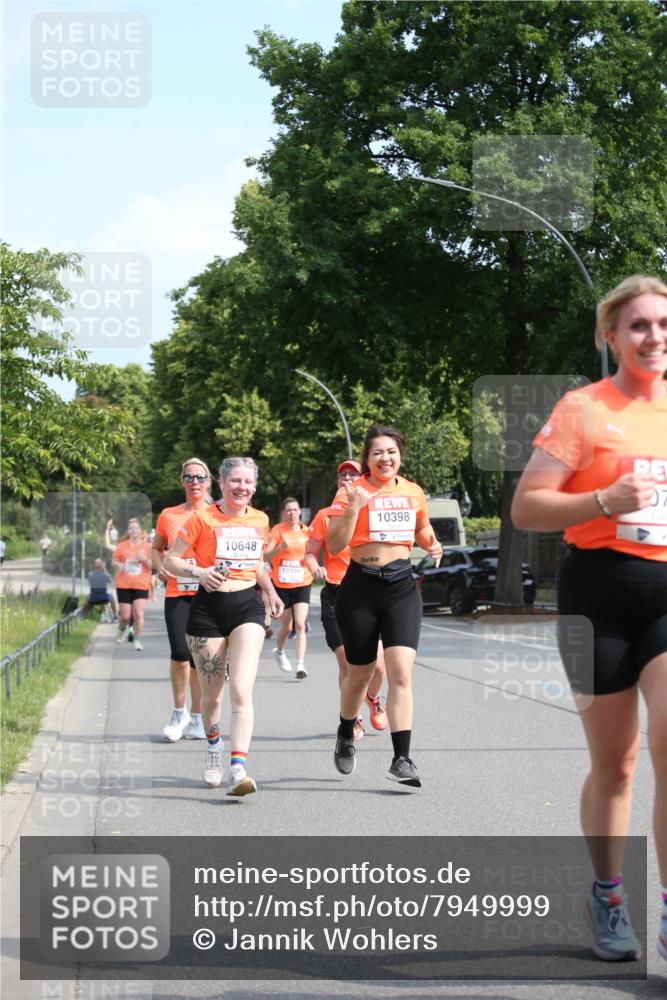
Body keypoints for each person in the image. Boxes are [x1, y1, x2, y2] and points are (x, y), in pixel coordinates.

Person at [511, 275, 667, 963]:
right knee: (616, 765)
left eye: (662, 323)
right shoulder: (581, 409)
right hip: (596, 596)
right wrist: (603, 497)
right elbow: (526, 508)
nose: (653, 336)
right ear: (610, 337)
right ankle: (607, 895)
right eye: (637, 325)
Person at [326, 423, 442, 788]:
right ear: (367, 458)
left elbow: (422, 528)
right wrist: (352, 509)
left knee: (400, 673)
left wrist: (433, 544)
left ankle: (401, 759)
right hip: (360, 588)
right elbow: (334, 544)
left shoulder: (413, 492)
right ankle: (346, 732)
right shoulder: (351, 492)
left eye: (391, 451)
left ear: (400, 456)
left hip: (401, 587)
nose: (385, 458)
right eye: (377, 452)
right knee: (358, 675)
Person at [164, 457, 283, 796]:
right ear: (222, 482)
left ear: (254, 487)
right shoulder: (202, 518)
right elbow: (172, 559)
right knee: (213, 695)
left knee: (241, 691)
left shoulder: (260, 519)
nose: (241, 487)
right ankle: (214, 750)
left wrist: (271, 591)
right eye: (235, 481)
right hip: (207, 611)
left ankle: (238, 767)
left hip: (247, 607)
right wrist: (199, 572)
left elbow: (258, 564)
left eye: (247, 482)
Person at [306, 459, 388, 741]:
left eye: (354, 474)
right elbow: (310, 552)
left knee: (378, 666)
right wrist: (313, 566)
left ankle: (374, 697)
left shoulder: (374, 510)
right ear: (338, 481)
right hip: (335, 593)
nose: (348, 478)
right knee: (347, 664)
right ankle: (354, 719)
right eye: (343, 475)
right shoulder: (325, 515)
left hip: (368, 591)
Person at [152, 458, 212, 743]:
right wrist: (158, 565)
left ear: (209, 481)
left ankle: (198, 717)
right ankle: (179, 712)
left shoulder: (217, 513)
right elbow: (156, 549)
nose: (195, 483)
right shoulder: (168, 515)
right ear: (182, 482)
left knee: (200, 657)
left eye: (200, 477)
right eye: (189, 477)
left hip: (207, 592)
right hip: (177, 591)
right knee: (179, 652)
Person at [265, 497, 313, 678]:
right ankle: (279, 651)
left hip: (302, 583)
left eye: (295, 510)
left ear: (300, 512)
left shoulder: (307, 532)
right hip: (282, 585)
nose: (292, 513)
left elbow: (313, 553)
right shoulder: (277, 531)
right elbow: (266, 556)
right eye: (288, 510)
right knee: (287, 626)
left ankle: (300, 665)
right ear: (283, 513)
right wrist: (281, 547)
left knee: (300, 624)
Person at [105, 517, 153, 652]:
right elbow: (114, 562)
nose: (134, 530)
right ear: (128, 531)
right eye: (131, 528)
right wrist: (119, 565)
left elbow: (152, 565)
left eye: (136, 528)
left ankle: (137, 640)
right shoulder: (122, 546)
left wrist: (144, 559)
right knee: (125, 616)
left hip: (141, 584)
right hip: (124, 584)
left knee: (138, 613)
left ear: (140, 530)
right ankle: (121, 629)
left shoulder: (147, 546)